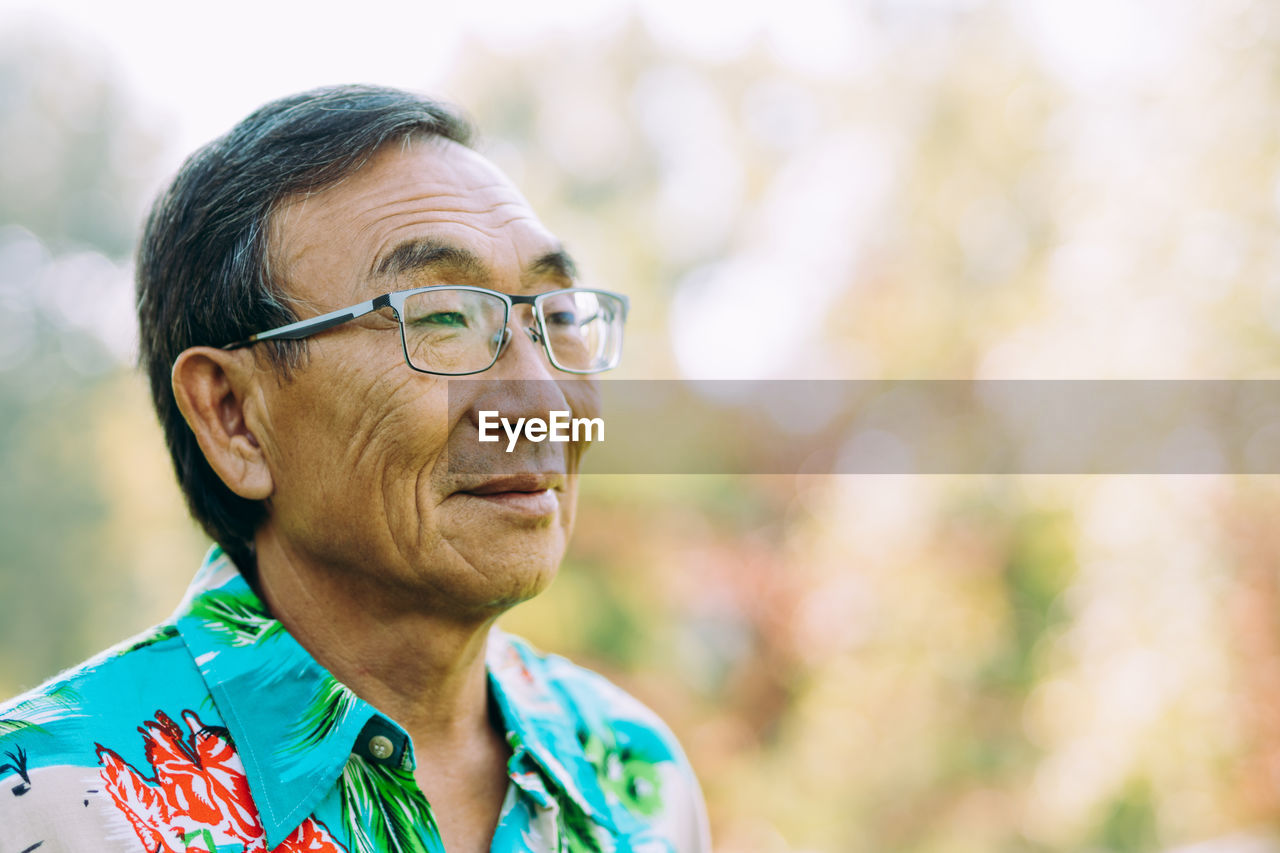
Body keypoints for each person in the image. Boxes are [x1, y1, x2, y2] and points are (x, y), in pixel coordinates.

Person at [0, 85, 710, 853]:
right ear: (235, 416)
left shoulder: (634, 778)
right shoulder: (50, 803)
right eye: (441, 316)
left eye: (558, 315)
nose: (539, 396)